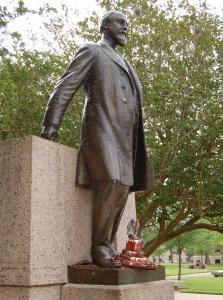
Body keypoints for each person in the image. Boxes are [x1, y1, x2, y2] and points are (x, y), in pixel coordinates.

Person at [41, 10, 153, 268]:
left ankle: (110, 244)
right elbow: (65, 84)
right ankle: (99, 247)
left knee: (123, 187)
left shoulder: (124, 61)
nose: (126, 27)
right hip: (100, 129)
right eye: (121, 23)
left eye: (127, 23)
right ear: (105, 26)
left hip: (125, 139)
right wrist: (51, 123)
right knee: (112, 180)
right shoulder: (92, 51)